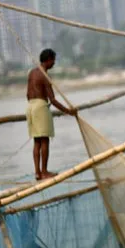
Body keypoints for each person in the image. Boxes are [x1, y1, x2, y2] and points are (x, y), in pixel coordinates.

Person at [26, 49, 76, 180]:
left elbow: (27, 94)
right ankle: (44, 171)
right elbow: (52, 100)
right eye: (53, 60)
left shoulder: (31, 72)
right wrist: (68, 111)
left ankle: (37, 172)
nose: (54, 63)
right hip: (41, 107)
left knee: (36, 141)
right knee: (44, 140)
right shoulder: (44, 75)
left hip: (30, 107)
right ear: (47, 60)